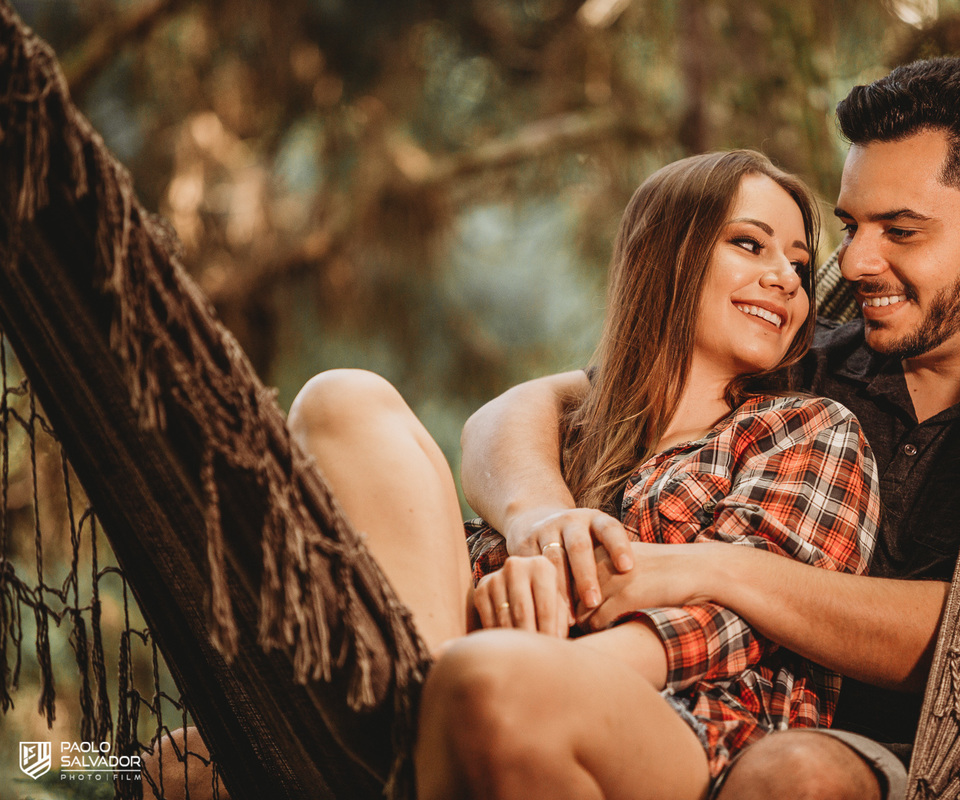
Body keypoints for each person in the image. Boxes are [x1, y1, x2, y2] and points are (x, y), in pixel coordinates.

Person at [153, 149, 881, 799]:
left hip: (686, 725)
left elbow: (738, 621)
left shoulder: (807, 430)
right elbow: (451, 560)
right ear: (669, 255)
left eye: (796, 260)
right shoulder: (563, 436)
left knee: (486, 680)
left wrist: (539, 643)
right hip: (455, 674)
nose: (786, 279)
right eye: (750, 244)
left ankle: (425, 720)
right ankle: (419, 728)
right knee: (344, 397)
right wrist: (495, 593)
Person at [458, 56, 960, 800]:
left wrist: (703, 568)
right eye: (851, 226)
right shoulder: (798, 356)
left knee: (794, 771)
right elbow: (526, 411)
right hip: (651, 697)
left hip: (896, 756)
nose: (855, 263)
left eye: (901, 229)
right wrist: (543, 520)